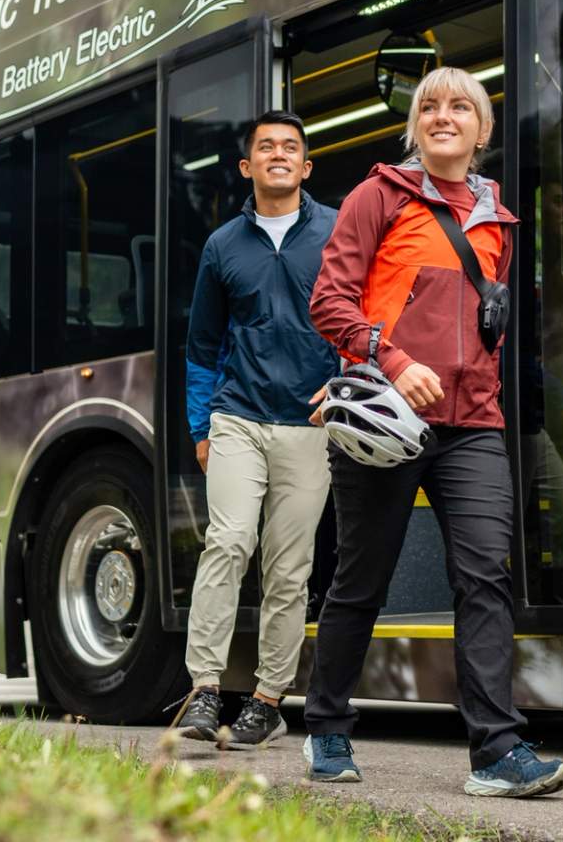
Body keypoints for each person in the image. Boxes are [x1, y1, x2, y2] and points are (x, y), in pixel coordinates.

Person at [300, 66, 563, 799]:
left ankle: (496, 751)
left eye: (461, 106)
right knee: (363, 580)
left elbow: (489, 326)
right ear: (415, 125)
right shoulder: (378, 195)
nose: (444, 114)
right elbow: (329, 301)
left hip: (474, 424)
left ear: (482, 131)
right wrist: (390, 357)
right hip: (388, 420)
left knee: (485, 575)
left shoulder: (499, 218)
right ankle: (326, 726)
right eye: (430, 105)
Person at [176, 111, 340, 749]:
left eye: (290, 148)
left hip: (311, 422)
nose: (278, 154)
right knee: (229, 541)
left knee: (289, 566)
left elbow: (361, 317)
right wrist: (200, 426)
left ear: (305, 166)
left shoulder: (334, 230)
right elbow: (201, 346)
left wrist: (348, 390)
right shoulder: (223, 246)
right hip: (236, 416)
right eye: (265, 147)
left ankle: (268, 699)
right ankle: (204, 690)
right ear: (248, 167)